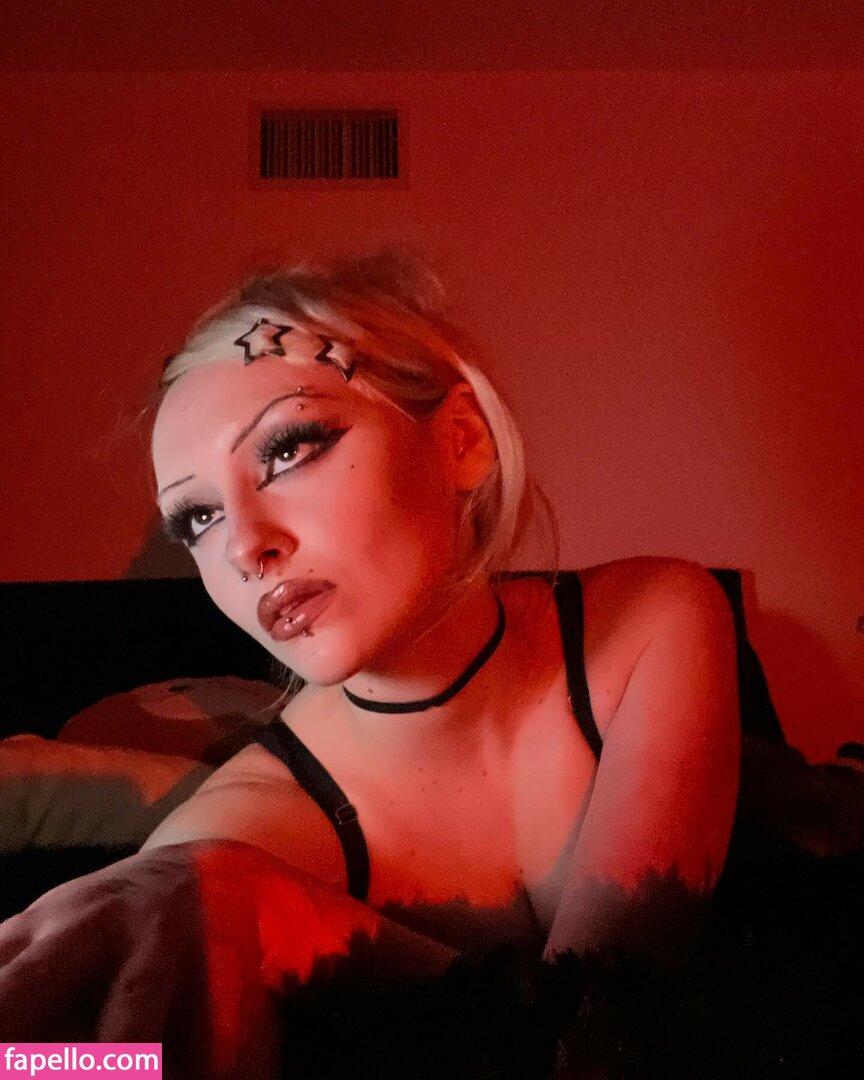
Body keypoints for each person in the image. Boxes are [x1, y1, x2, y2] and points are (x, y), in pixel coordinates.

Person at [0, 250, 741, 1075]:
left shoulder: (652, 619)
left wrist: (304, 925)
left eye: (288, 449)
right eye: (198, 517)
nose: (244, 546)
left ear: (462, 440)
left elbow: (610, 1030)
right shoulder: (233, 841)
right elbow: (69, 1060)